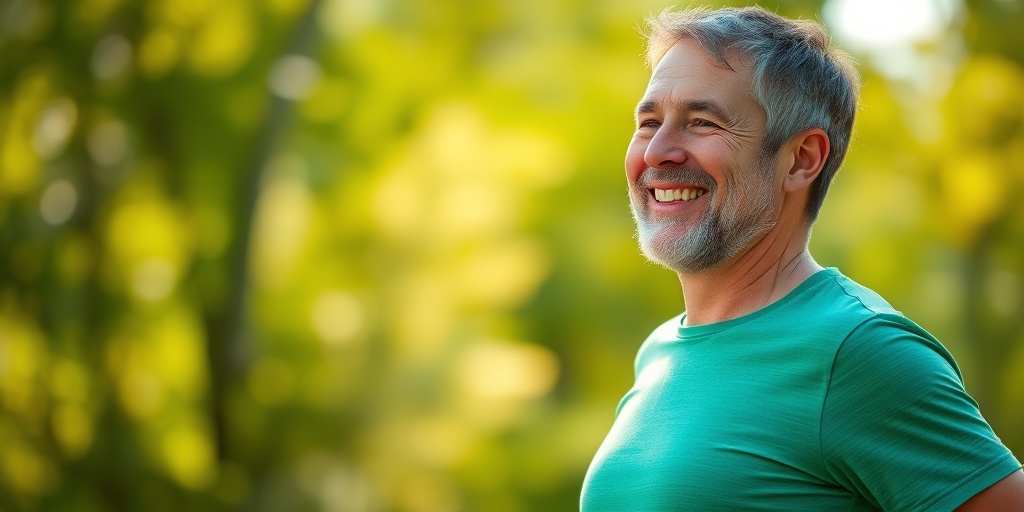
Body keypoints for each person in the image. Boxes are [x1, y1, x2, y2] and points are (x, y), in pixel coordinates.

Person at [580, 6, 1024, 511]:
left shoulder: (859, 353)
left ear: (802, 159)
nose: (657, 151)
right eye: (649, 122)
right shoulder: (659, 352)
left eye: (703, 123)